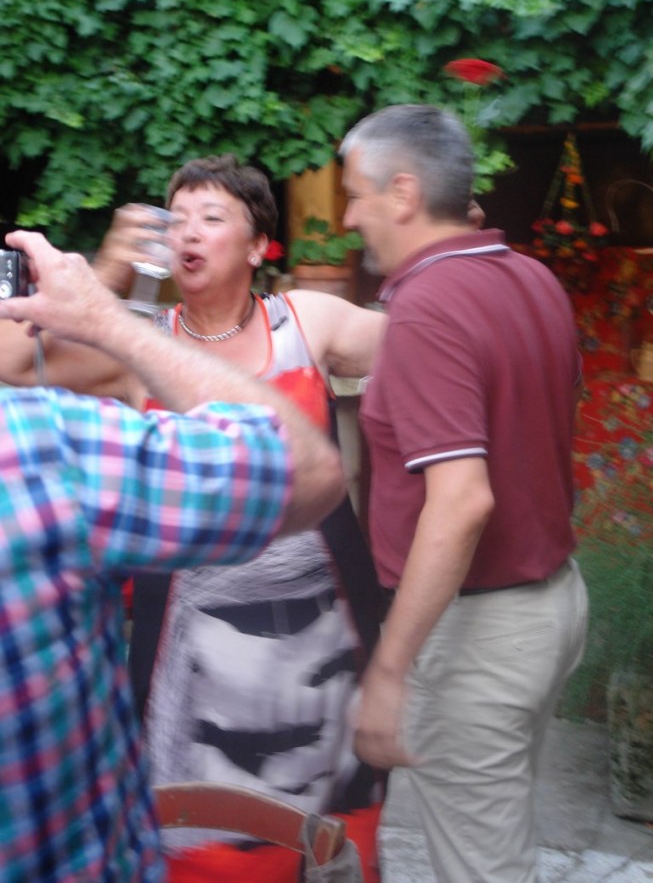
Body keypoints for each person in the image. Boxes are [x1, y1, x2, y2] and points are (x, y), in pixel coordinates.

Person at [0, 155, 387, 837]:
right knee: (200, 834)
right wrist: (107, 274)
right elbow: (10, 360)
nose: (188, 232)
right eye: (175, 219)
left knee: (322, 829)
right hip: (191, 652)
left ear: (259, 246)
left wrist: (439, 254)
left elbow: (418, 343)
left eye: (211, 217)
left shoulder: (306, 321)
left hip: (321, 638)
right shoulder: (136, 345)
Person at [337, 105, 589, 883]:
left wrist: (389, 667)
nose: (347, 218)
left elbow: (461, 502)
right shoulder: (530, 277)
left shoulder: (426, 307)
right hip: (550, 605)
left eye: (354, 195)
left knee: (482, 869)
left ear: (403, 194)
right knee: (498, 847)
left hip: (478, 633)